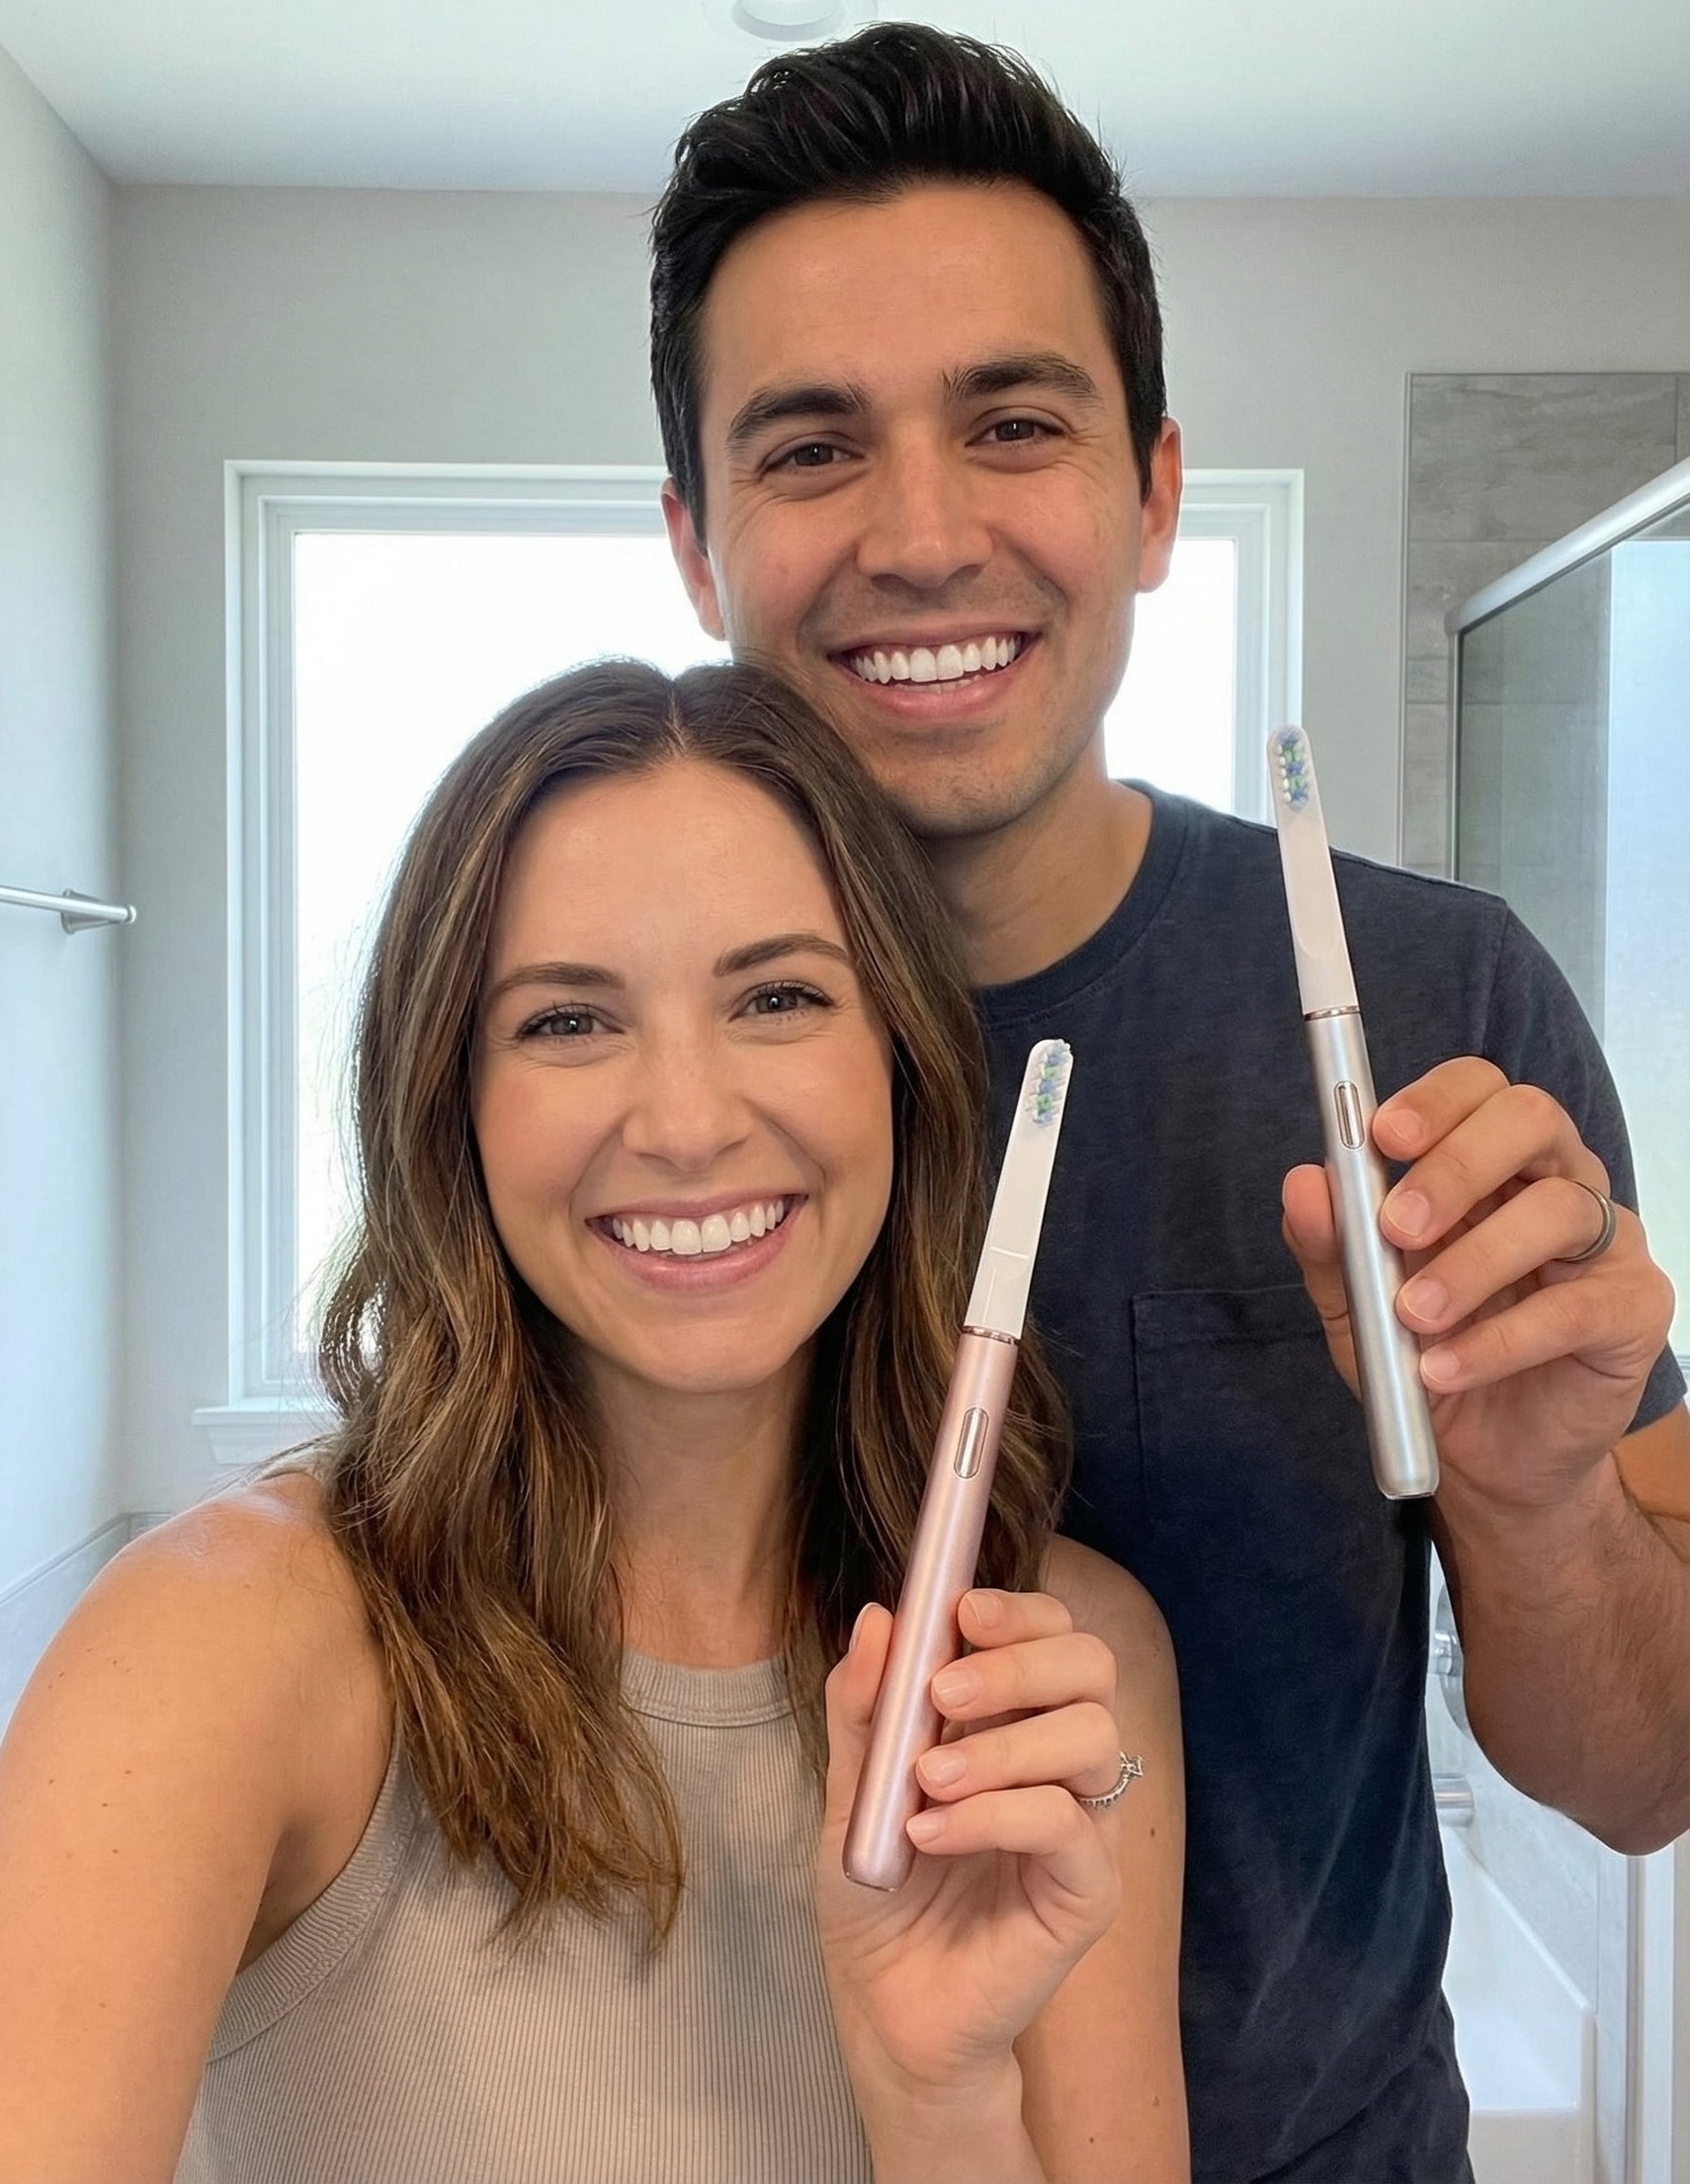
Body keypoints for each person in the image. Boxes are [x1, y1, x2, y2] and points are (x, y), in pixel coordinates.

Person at [648, 26, 1689, 2184]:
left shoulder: (1436, 1007)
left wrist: (1532, 1506)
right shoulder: (627, 1092)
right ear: (694, 540)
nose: (921, 534)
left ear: (1149, 495)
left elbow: (1646, 1774)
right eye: (812, 447)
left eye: (1013, 423)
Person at [0, 660, 1188, 2184]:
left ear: (903, 1059)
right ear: (450, 1100)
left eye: (778, 996)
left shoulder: (1057, 1681)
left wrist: (939, 2098)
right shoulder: (215, 1645)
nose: (687, 1122)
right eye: (569, 1020)